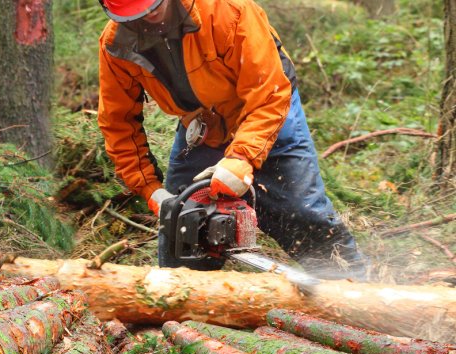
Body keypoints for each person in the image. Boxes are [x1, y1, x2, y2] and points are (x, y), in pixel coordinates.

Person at [96, 0, 367, 279]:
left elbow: (269, 94)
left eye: (153, 5)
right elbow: (118, 123)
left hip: (268, 108)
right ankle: (184, 308)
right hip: (203, 125)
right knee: (182, 221)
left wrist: (241, 159)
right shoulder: (116, 44)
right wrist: (151, 190)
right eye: (137, 12)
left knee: (303, 213)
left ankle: (354, 290)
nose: (149, 14)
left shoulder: (227, 10)